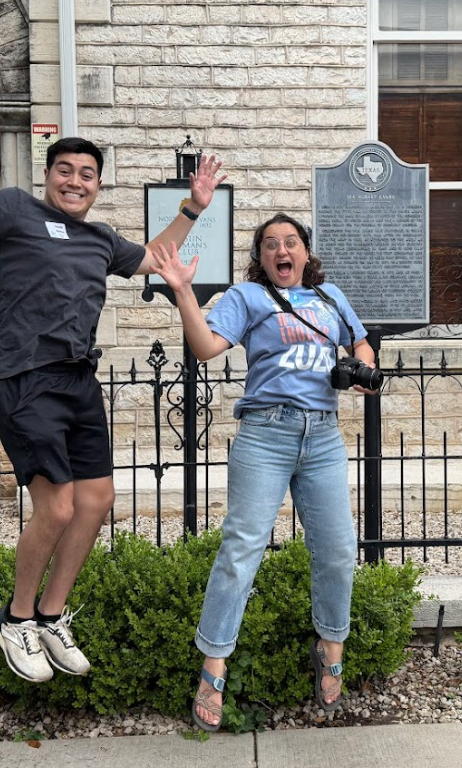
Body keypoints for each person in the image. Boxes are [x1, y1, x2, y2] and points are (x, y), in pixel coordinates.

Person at [0, 54, 227, 683]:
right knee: (55, 508)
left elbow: (155, 258)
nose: (75, 181)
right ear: (48, 175)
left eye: (87, 174)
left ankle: (52, 616)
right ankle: (16, 618)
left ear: (98, 185)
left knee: (96, 501)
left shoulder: (100, 239)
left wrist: (193, 208)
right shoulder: (13, 211)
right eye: (65, 171)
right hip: (24, 377)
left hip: (78, 380)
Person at [150, 212, 377, 731]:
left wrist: (361, 367)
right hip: (266, 433)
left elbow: (359, 340)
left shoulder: (330, 296)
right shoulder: (247, 297)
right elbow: (205, 348)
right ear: (262, 257)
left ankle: (331, 646)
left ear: (305, 252)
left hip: (323, 436)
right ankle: (213, 664)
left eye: (291, 242)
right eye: (271, 244)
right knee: (241, 549)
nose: (282, 250)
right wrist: (183, 292)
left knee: (338, 548)